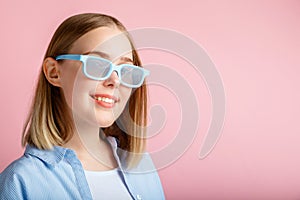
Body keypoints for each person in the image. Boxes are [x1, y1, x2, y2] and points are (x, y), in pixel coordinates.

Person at [0, 13, 165, 200]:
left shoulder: (142, 165)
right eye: (96, 64)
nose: (115, 81)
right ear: (54, 72)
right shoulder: (20, 182)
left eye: (125, 70)